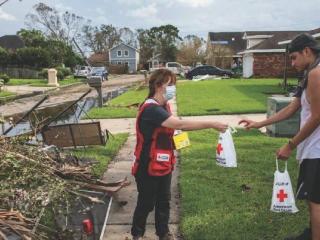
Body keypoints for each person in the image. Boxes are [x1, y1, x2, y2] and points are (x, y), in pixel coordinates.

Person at [239, 33, 320, 240]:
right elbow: (293, 107)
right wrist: (260, 123)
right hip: (312, 149)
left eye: (294, 57)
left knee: (316, 202)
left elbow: (317, 117)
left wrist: (290, 145)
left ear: (307, 51)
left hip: (317, 150)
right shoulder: (309, 72)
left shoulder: (316, 74)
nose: (292, 63)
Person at [131, 69, 228, 240]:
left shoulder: (164, 106)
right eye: (171, 84)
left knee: (164, 201)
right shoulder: (151, 109)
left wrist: (180, 142)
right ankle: (137, 234)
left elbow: (170, 131)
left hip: (164, 163)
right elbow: (179, 124)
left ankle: (163, 233)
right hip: (147, 166)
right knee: (146, 204)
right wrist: (212, 123)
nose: (174, 88)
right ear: (159, 86)